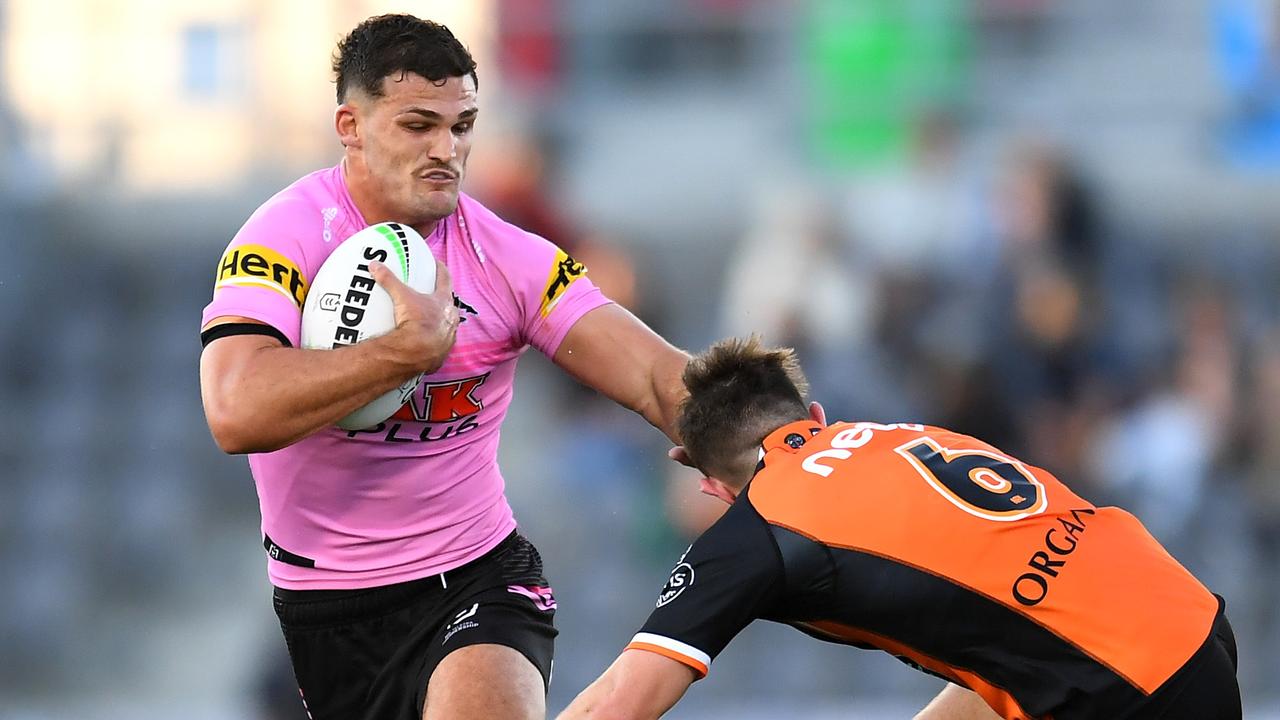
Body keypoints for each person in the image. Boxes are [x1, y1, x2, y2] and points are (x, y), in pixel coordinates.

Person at [197, 14, 688, 720]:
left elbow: (657, 378)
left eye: (462, 127)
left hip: (478, 581)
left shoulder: (510, 257)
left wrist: (778, 453)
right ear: (351, 125)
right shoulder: (285, 237)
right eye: (418, 125)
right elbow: (236, 411)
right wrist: (405, 352)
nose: (447, 150)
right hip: (325, 612)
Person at [557, 337, 1242, 720]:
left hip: (1123, 694)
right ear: (814, 414)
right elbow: (1004, 645)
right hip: (1193, 626)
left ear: (710, 485)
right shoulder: (904, 435)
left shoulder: (760, 527)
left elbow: (620, 700)